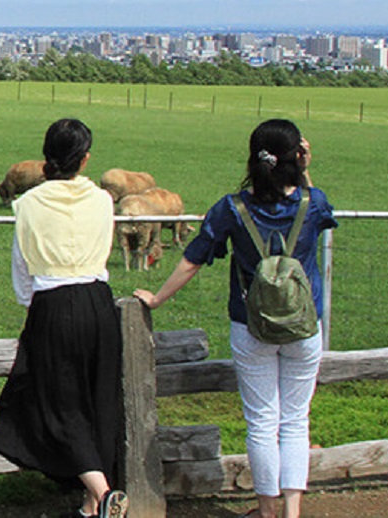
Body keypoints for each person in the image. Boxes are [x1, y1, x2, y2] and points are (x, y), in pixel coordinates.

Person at [134, 119, 336, 518]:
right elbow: (318, 211)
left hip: (252, 324)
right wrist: (306, 169)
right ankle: (292, 512)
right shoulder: (314, 202)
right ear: (296, 155)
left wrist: (156, 298)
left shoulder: (233, 207)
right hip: (303, 326)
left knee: (262, 421)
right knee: (295, 420)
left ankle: (266, 509)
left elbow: (193, 259)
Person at [0, 118, 128, 518]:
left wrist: (31, 302)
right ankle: (91, 505)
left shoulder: (28, 204)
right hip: (99, 304)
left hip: (52, 302)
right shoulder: (104, 199)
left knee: (58, 400)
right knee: (97, 397)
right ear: (85, 159)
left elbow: (22, 269)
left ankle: (102, 495)